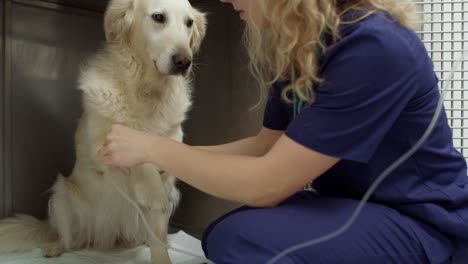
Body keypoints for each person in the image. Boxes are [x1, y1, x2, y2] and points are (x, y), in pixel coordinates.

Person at [99, 0, 468, 263]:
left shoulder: (374, 46)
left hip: (423, 223)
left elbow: (267, 184)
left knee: (246, 244)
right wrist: (162, 150)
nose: (225, 0)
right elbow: (265, 148)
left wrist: (154, 150)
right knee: (223, 235)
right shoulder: (301, 47)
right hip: (351, 204)